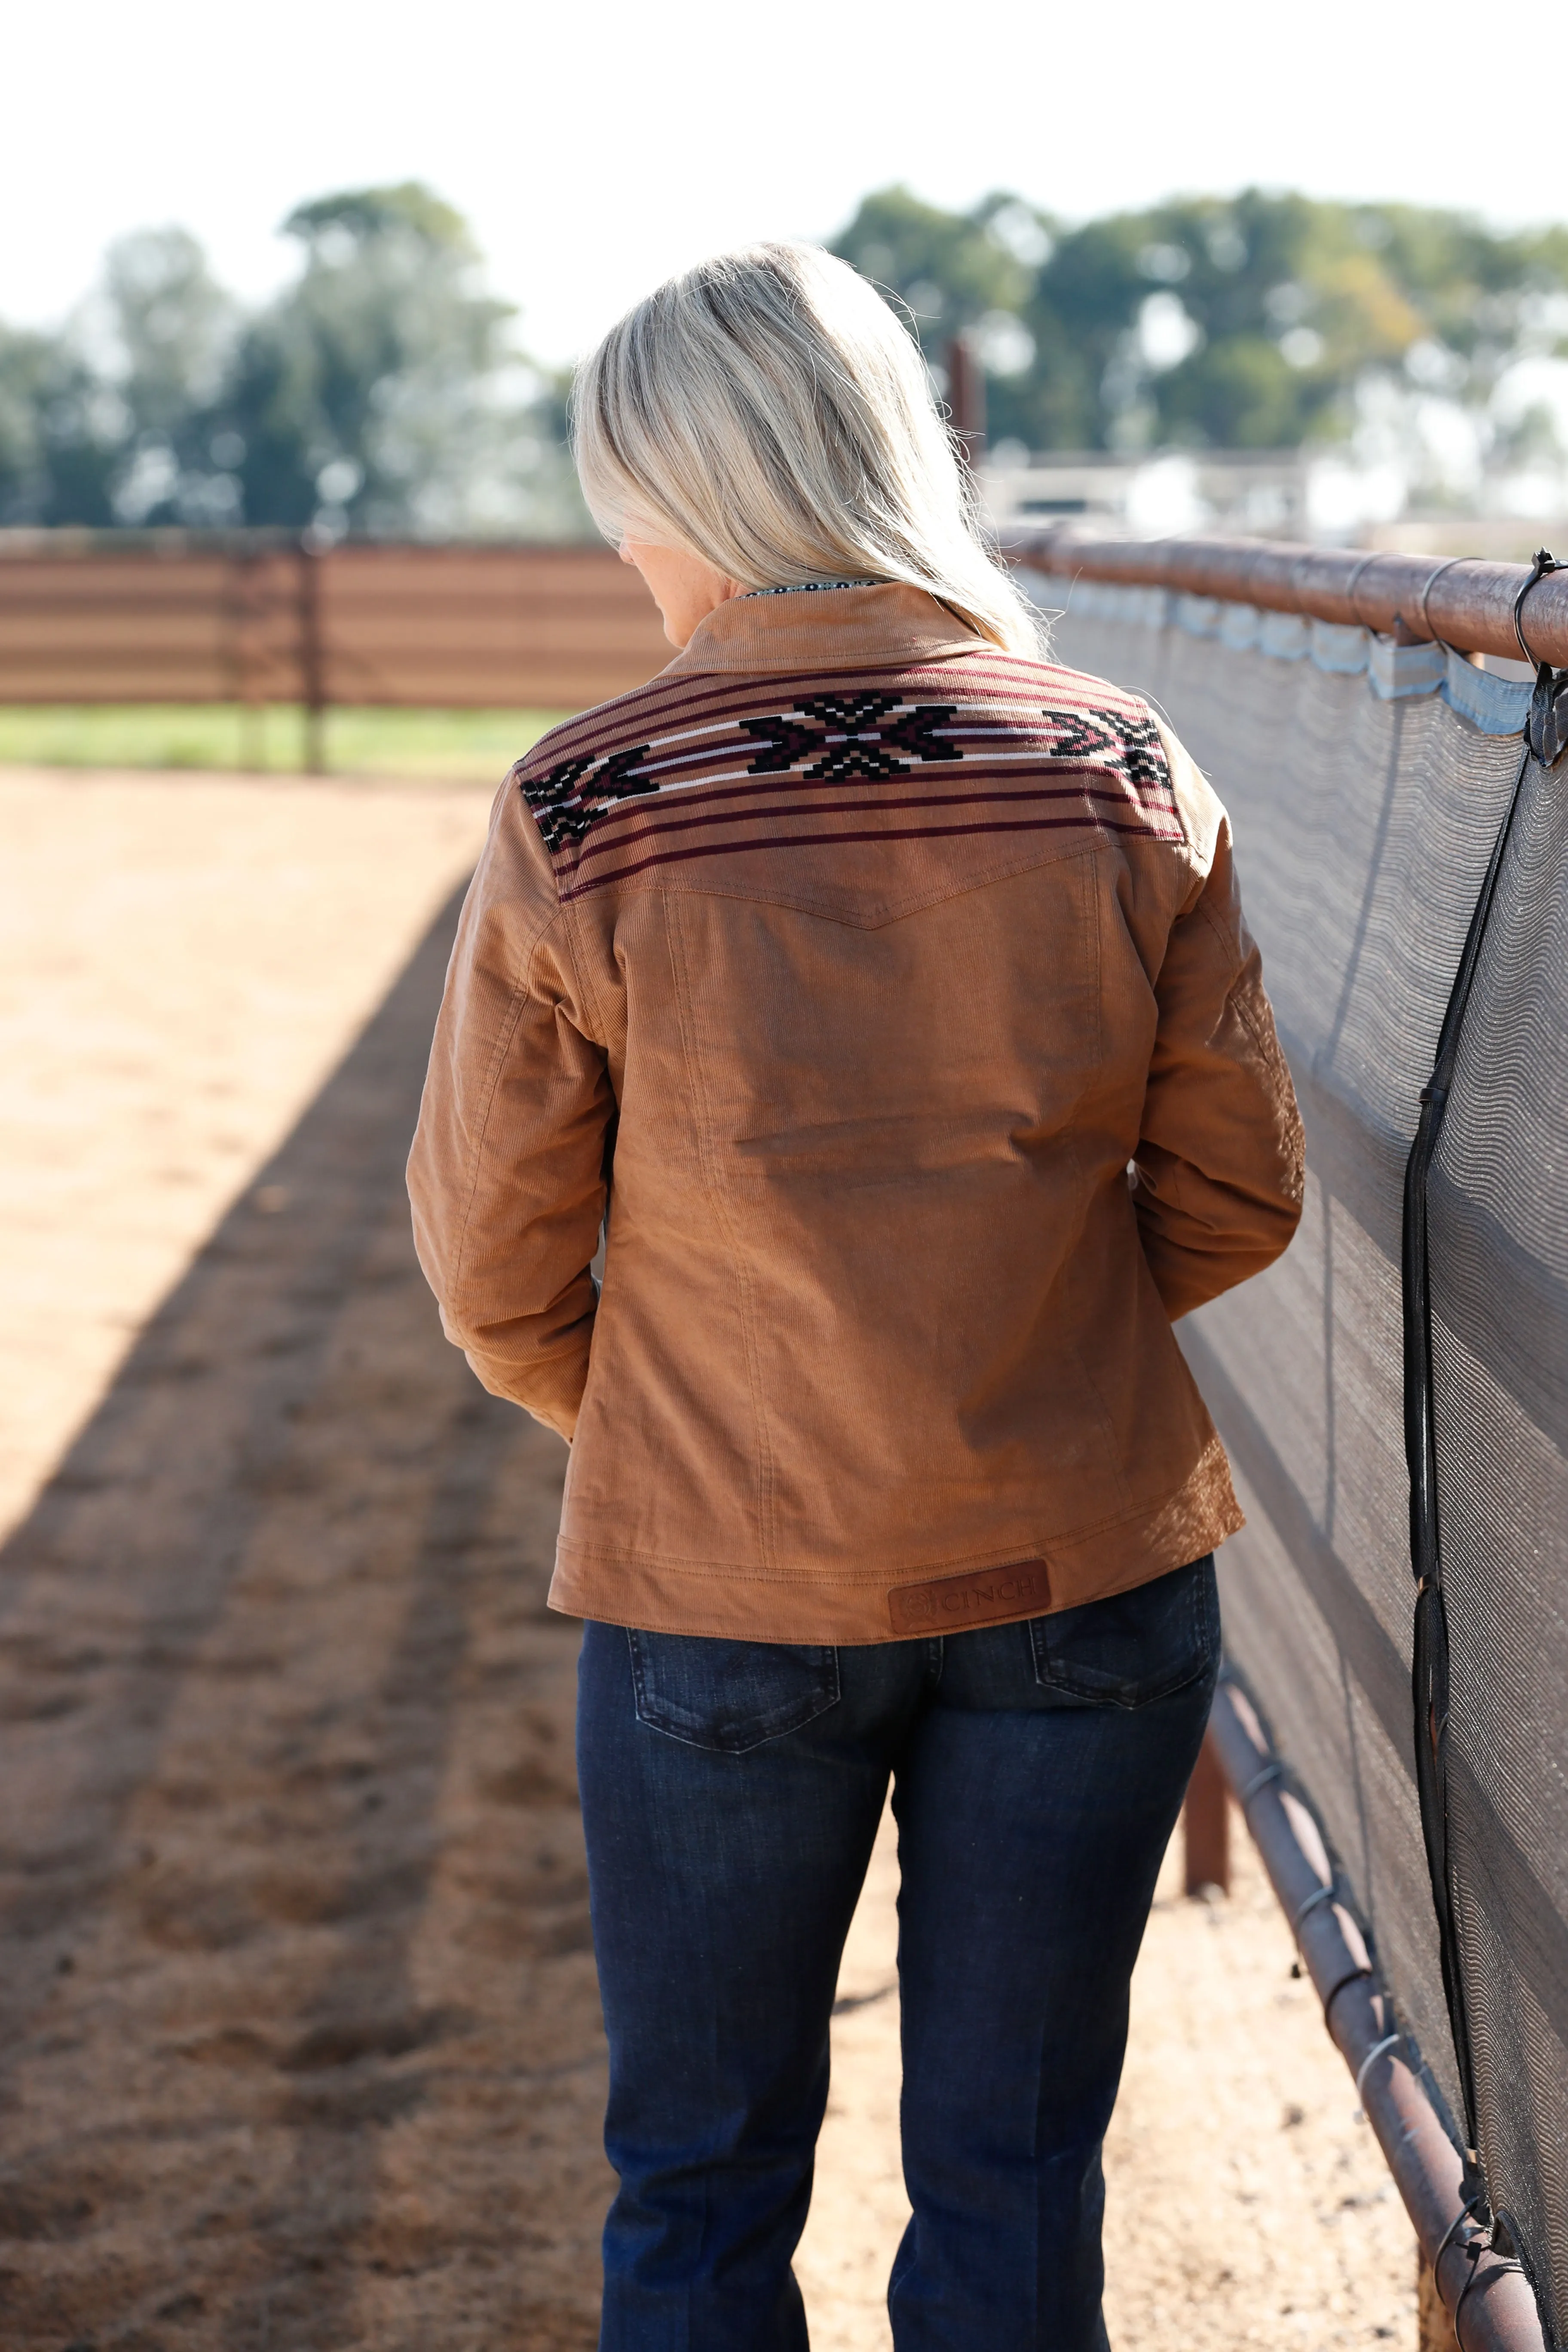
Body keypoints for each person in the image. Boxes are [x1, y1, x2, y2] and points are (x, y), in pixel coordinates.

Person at [407, 242, 1303, 2352]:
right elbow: (1240, 1191)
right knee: (1016, 2183)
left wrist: (706, 1414)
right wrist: (1029, 1330)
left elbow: (497, 1270)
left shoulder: (584, 809)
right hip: (1086, 1569)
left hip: (721, 1579)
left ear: (676, 494)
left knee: (701, 2189)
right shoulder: (1123, 766)